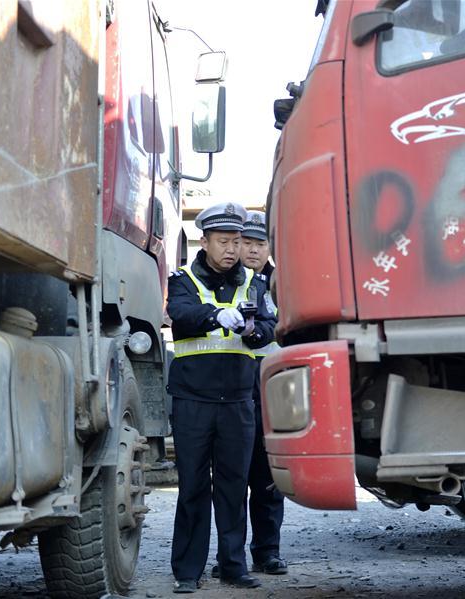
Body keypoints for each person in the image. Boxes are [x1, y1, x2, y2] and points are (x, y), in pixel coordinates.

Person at [167, 202, 276, 593]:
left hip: (237, 402)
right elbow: (179, 312)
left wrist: (253, 331)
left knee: (234, 487)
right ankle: (186, 571)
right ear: (205, 241)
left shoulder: (255, 282)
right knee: (193, 486)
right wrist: (215, 315)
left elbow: (269, 323)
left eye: (236, 241)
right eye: (223, 241)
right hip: (193, 400)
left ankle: (233, 565)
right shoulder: (183, 279)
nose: (232, 249)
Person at [210, 210, 287, 577]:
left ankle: (267, 552)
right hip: (231, 388)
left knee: (269, 476)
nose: (253, 250)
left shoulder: (282, 282)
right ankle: (232, 557)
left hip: (272, 386)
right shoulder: (224, 281)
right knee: (232, 477)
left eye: (261, 243)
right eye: (248, 243)